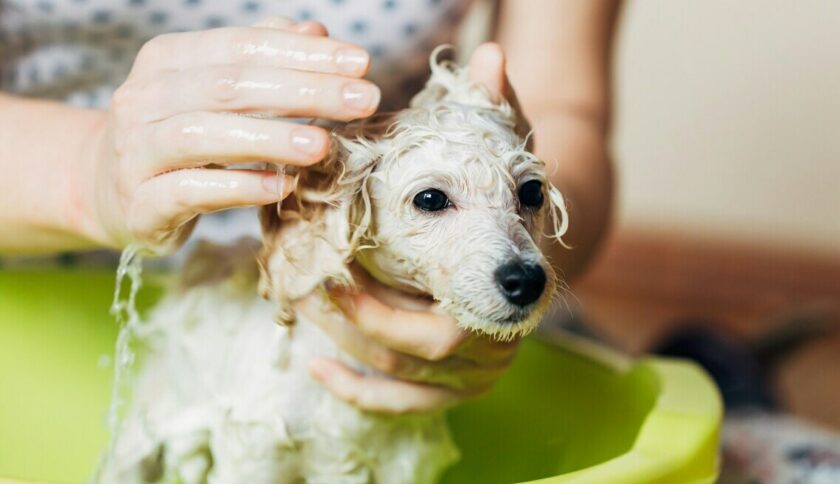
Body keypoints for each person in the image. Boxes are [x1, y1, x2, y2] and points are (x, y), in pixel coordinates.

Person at [0, 0, 619, 413]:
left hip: (412, 303)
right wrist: (84, 174)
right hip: (35, 280)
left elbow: (565, 110)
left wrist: (500, 252)